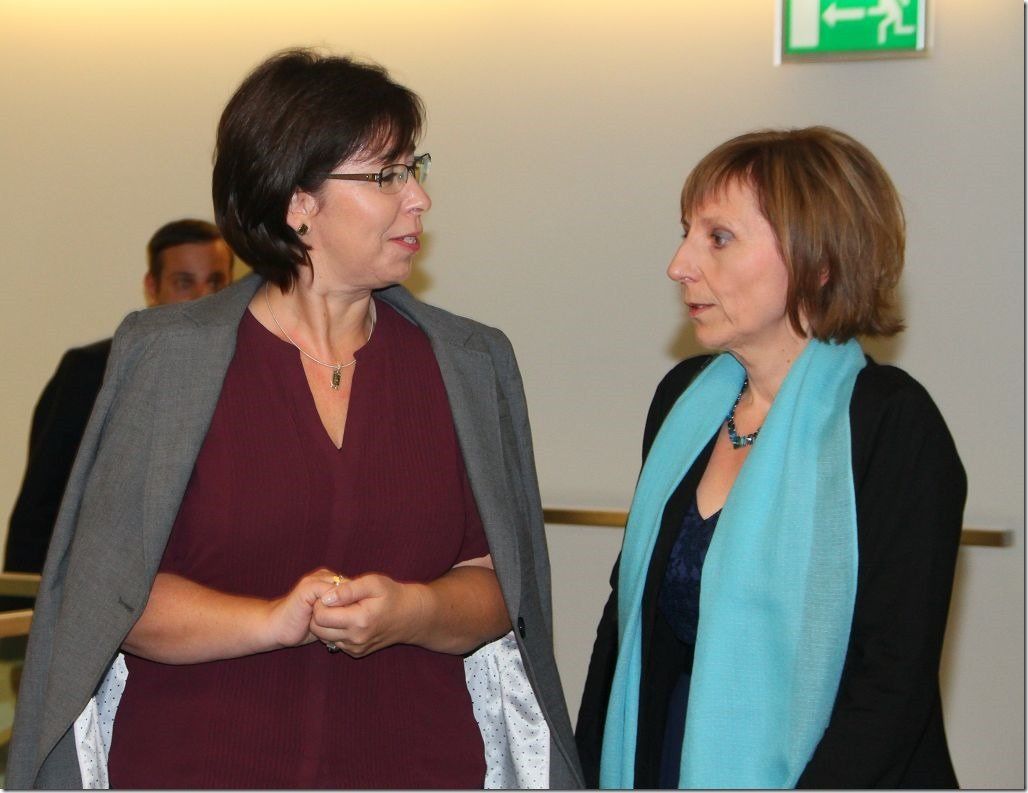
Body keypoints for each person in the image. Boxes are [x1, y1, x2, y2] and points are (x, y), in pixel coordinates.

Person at [7, 49, 582, 789]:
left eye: (415, 169)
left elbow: (504, 588)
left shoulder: (470, 361)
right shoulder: (166, 359)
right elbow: (108, 598)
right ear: (297, 201)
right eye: (386, 176)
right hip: (197, 765)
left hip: (418, 765)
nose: (419, 199)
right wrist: (272, 620)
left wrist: (412, 610)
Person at [576, 126, 965, 789]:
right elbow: (624, 621)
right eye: (687, 233)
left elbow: (890, 688)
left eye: (719, 238)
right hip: (668, 758)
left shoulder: (893, 425)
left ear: (818, 260)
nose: (679, 264)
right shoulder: (683, 401)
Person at [4, 219, 233, 573]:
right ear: (152, 288)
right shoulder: (90, 373)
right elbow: (41, 510)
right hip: (101, 591)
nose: (204, 298)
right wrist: (26, 599)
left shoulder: (252, 377)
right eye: (184, 283)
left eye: (216, 282)